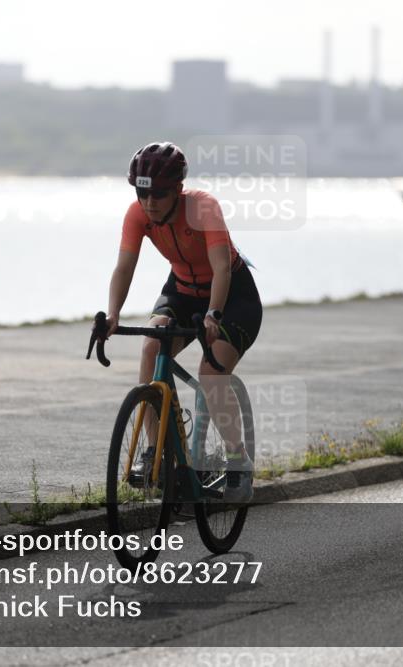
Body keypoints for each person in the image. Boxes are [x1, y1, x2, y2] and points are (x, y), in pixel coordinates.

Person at [104, 141, 262, 502]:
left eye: (158, 194)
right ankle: (153, 451)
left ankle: (239, 461)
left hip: (233, 296)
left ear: (177, 189)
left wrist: (213, 315)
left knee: (211, 372)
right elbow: (124, 267)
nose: (149, 203)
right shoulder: (137, 214)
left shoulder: (203, 207)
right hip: (182, 289)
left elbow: (221, 267)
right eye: (142, 194)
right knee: (151, 345)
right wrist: (113, 314)